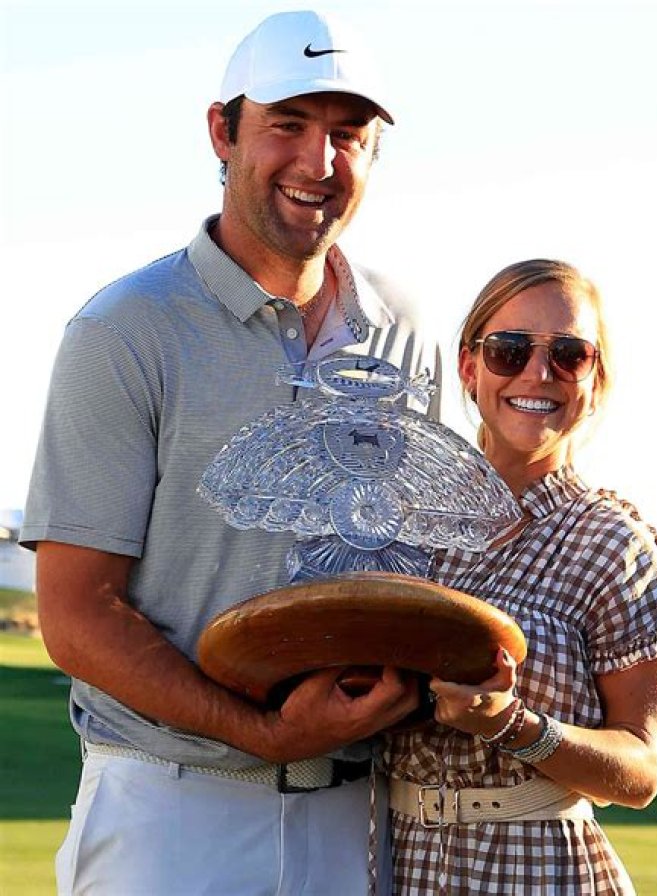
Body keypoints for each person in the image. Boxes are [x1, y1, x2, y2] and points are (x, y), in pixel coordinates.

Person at [20, 10, 440, 895]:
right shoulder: (124, 330)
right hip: (171, 813)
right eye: (287, 125)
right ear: (222, 130)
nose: (317, 163)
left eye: (347, 135)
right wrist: (263, 734)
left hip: (358, 820)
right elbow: (76, 614)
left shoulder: (406, 330)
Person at [382, 259, 657, 895]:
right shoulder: (402, 524)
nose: (538, 373)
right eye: (509, 350)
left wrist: (511, 724)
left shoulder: (615, 544)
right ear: (470, 368)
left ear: (596, 380)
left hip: (539, 870)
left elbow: (641, 771)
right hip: (393, 860)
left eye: (569, 353)